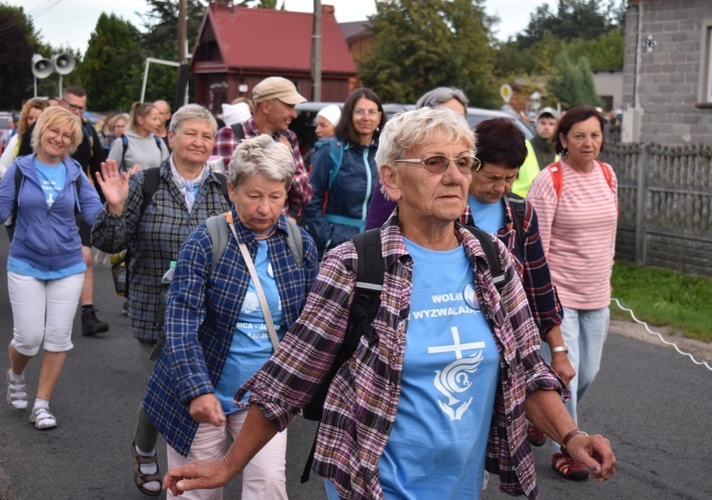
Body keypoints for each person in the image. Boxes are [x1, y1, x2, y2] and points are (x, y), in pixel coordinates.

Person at [163, 107, 617, 499]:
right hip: (372, 483)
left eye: (463, 162)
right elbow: (289, 378)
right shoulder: (355, 264)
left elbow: (525, 370)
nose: (456, 176)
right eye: (436, 162)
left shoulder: (493, 260)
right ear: (392, 178)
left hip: (462, 485)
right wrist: (227, 466)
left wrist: (570, 435)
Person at [135, 135, 318, 499]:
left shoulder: (300, 244)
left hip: (264, 400)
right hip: (203, 394)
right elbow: (181, 324)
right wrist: (197, 391)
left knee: (267, 488)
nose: (265, 208)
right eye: (254, 195)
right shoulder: (205, 241)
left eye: (275, 197)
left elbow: (309, 327)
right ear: (232, 189)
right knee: (194, 490)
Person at [91, 104, 232, 496]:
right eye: (191, 133)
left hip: (208, 313)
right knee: (166, 388)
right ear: (170, 137)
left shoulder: (224, 188)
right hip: (155, 308)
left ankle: (190, 465)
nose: (199, 142)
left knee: (192, 388)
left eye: (207, 136)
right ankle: (146, 450)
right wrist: (115, 208)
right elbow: (108, 242)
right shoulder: (145, 183)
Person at [462, 117, 575, 453]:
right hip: (460, 338)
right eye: (493, 178)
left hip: (509, 338)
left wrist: (557, 351)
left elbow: (539, 284)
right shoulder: (446, 209)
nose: (501, 188)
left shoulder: (521, 213)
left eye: (510, 178)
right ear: (470, 165)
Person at [527, 105, 618, 480]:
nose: (588, 142)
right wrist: (541, 302)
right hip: (559, 297)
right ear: (562, 140)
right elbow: (535, 246)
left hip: (598, 293)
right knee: (568, 374)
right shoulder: (550, 179)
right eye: (579, 135)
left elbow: (612, 234)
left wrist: (606, 276)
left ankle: (542, 419)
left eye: (595, 135)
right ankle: (568, 447)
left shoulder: (608, 175)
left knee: (590, 372)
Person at [1, 106, 104, 430]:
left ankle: (42, 404)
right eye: (54, 131)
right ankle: (16, 375)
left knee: (58, 339)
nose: (58, 139)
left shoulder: (74, 172)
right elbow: (2, 209)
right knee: (29, 338)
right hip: (26, 263)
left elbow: (95, 214)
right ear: (41, 130)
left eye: (66, 135)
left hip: (68, 265)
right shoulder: (19, 169)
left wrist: (115, 205)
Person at [18, 85, 110, 337]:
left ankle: (88, 313)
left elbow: (99, 167)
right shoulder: (41, 131)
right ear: (60, 103)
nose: (78, 112)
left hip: (75, 205)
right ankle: (42, 302)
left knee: (85, 257)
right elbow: (23, 165)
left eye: (82, 107)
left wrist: (105, 207)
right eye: (73, 106)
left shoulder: (88, 131)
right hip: (40, 207)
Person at [364, 86, 468, 230]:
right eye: (433, 163)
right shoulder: (398, 174)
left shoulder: (489, 248)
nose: (455, 177)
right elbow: (374, 231)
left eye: (462, 163)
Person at [212, 76, 312, 219]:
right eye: (289, 106)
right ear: (266, 106)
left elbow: (305, 197)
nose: (294, 114)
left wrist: (287, 157)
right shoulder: (229, 135)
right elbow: (222, 194)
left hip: (280, 233)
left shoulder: (289, 138)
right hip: (239, 233)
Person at [304, 89, 386, 255]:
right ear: (349, 115)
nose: (366, 117)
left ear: (379, 117)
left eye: (372, 112)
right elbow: (311, 199)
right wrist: (326, 238)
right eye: (359, 112)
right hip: (337, 246)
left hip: (374, 245)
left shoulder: (385, 154)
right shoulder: (331, 150)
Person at [512, 106, 559, 198]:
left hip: (549, 207)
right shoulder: (522, 147)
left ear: (556, 127)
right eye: (543, 123)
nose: (546, 127)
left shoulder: (560, 153)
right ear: (536, 124)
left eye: (551, 124)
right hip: (521, 205)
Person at [108, 102, 169, 172]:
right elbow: (111, 172)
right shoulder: (122, 143)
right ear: (141, 120)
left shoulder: (159, 142)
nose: (159, 123)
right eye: (154, 119)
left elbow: (165, 171)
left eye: (159, 119)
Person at [1, 99, 48, 175]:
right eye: (30, 118)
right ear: (25, 120)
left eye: (37, 119)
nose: (34, 121)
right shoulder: (17, 139)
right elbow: (2, 165)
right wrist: (14, 180)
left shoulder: (49, 142)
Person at [302, 104, 341, 172]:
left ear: (337, 128)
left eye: (323, 126)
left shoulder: (347, 154)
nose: (317, 130)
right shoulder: (312, 153)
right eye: (316, 126)